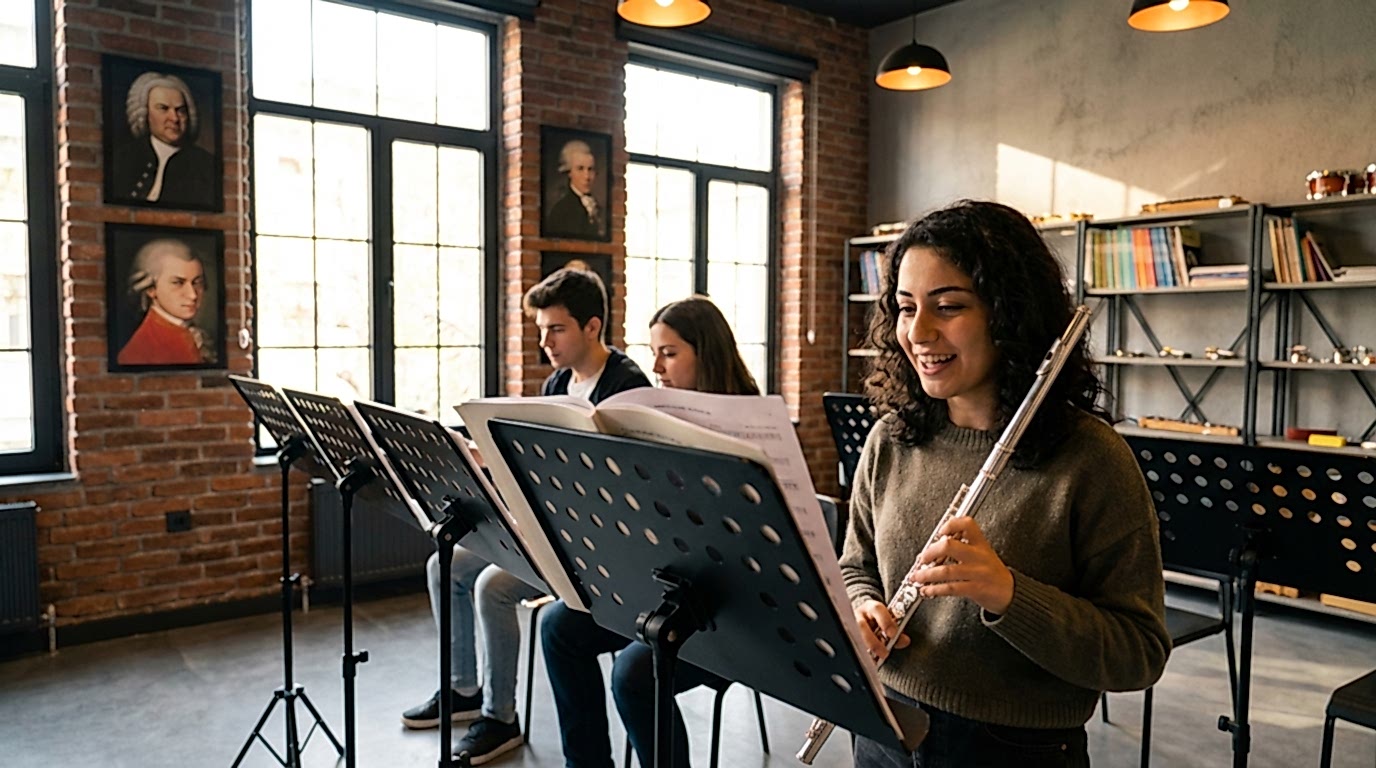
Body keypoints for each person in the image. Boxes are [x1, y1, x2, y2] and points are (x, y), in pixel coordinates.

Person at [840, 200, 1170, 767]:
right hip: (886, 722)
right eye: (905, 307)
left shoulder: (1090, 459)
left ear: (1010, 314)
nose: (918, 332)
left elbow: (1138, 653)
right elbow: (855, 564)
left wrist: (1009, 595)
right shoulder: (890, 440)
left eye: (948, 306)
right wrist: (863, 603)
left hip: (1015, 748)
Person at [403, 267, 650, 766]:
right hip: (549, 528)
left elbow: (624, 491)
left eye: (555, 329)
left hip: (592, 547)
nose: (545, 342)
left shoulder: (627, 387)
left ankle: (501, 718)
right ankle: (464, 688)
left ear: (593, 327)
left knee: (492, 587)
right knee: (444, 565)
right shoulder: (558, 381)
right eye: (541, 330)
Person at [539, 295, 759, 768]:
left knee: (634, 672)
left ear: (707, 353)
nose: (655, 365)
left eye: (670, 353)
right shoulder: (657, 412)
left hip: (722, 602)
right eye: (653, 351)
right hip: (662, 582)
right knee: (558, 625)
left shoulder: (751, 423)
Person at [111, 71, 216, 209]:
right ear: (145, 113)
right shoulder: (124, 158)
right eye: (163, 108)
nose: (174, 118)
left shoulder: (206, 165)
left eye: (180, 110)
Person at [116, 238, 211, 366]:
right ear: (151, 289)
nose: (192, 295)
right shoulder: (139, 350)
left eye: (197, 282)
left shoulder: (191, 333)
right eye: (178, 283)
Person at [544, 139, 604, 239]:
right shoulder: (561, 210)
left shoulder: (598, 206)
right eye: (580, 169)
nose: (587, 176)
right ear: (569, 172)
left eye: (590, 169)